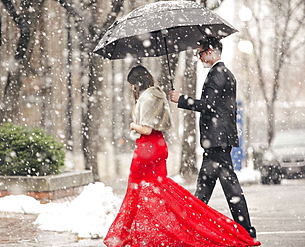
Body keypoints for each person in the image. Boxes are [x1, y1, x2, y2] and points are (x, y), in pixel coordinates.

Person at [104, 65, 260, 247]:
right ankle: (193, 226)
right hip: (160, 147)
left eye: (132, 84)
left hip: (149, 149)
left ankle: (126, 233)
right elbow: (164, 124)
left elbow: (146, 129)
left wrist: (133, 125)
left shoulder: (147, 97)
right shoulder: (158, 94)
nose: (132, 88)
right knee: (173, 192)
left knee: (136, 191)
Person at [169, 36, 257, 239]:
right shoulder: (223, 73)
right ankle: (191, 227)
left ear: (210, 51)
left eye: (200, 53)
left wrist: (181, 99)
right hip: (217, 141)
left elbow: (207, 105)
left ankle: (246, 230)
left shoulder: (218, 74)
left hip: (217, 141)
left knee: (229, 187)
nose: (199, 58)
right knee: (204, 188)